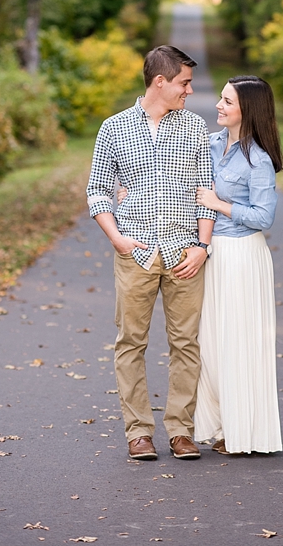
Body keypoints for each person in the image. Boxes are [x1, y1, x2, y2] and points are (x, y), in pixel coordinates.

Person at [87, 46, 215, 462]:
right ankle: (138, 432)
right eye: (184, 82)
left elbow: (206, 196)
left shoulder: (196, 128)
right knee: (131, 343)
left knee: (186, 344)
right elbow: (97, 190)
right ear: (160, 81)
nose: (190, 90)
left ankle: (181, 431)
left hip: (184, 254)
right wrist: (117, 239)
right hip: (135, 252)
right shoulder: (114, 128)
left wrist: (202, 245)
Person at [193, 75, 283, 454]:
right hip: (211, 254)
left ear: (248, 110)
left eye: (227, 101)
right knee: (210, 344)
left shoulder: (258, 161)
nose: (218, 105)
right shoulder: (210, 145)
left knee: (239, 344)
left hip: (243, 257)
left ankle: (243, 432)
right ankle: (217, 423)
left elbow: (264, 217)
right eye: (221, 97)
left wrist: (220, 205)